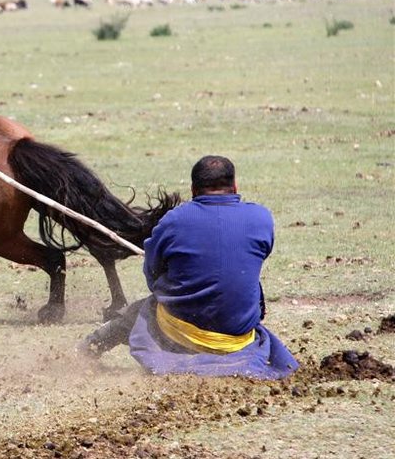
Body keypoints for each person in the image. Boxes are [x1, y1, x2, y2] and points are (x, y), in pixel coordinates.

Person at [79, 155, 298, 380]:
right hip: (237, 337)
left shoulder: (174, 221)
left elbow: (152, 274)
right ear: (235, 187)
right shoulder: (262, 218)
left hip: (180, 332)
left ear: (193, 190)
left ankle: (88, 349)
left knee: (142, 310)